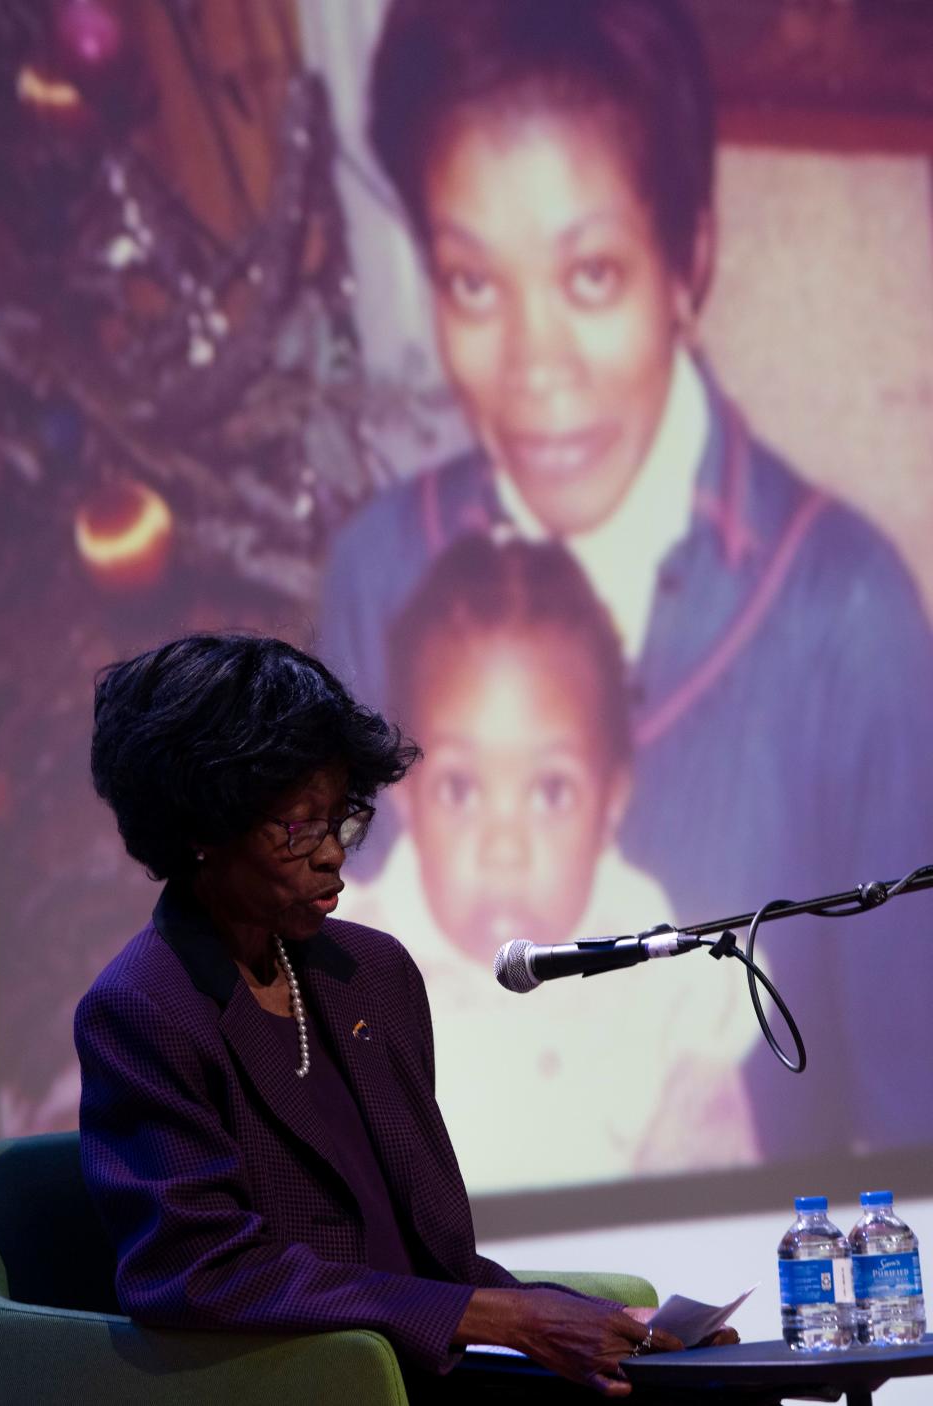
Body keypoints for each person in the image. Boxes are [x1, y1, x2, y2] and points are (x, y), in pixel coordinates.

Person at [319, 0, 933, 1160]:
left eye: (591, 273)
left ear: (687, 259)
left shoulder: (847, 621)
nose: (534, 369)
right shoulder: (379, 576)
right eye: (472, 283)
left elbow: (918, 1125)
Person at [76, 632, 744, 1398]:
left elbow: (432, 1260)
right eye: (299, 829)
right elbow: (201, 1272)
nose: (333, 854)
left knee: (704, 1390)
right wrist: (507, 1321)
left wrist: (602, 1324)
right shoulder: (143, 1009)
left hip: (421, 1374)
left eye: (343, 820)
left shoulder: (371, 974)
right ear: (200, 831)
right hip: (302, 1386)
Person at [337, 535, 759, 1187]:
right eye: (460, 789)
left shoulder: (668, 994)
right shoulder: (345, 982)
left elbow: (716, 1205)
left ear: (610, 806)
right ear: (408, 801)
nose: (505, 847)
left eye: (551, 792)